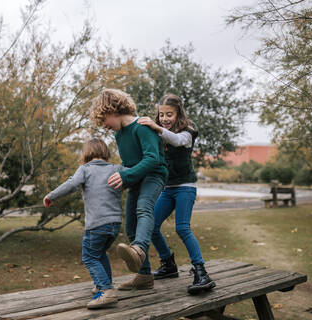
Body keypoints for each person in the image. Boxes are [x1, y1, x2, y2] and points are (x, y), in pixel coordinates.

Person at [137, 93, 215, 294]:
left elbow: (178, 141)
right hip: (168, 188)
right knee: (151, 225)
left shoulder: (188, 132)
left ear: (178, 112)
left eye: (169, 114)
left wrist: (156, 127)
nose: (164, 118)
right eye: (161, 115)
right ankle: (168, 264)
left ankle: (201, 273)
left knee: (182, 228)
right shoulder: (159, 132)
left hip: (185, 188)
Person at [90, 88, 168, 291]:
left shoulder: (142, 126)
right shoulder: (120, 135)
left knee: (144, 207)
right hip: (137, 179)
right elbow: (128, 163)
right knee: (131, 226)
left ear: (112, 110)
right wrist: (122, 180)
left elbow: (152, 159)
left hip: (154, 175)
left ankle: (140, 249)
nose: (105, 126)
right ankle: (144, 276)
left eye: (104, 119)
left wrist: (127, 175)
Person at [43, 138, 124, 309]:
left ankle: (107, 291)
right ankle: (103, 283)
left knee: (89, 256)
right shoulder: (116, 168)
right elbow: (134, 174)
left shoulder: (85, 169)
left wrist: (51, 196)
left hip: (97, 225)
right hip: (115, 224)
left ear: (86, 153)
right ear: (105, 152)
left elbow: (71, 184)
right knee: (100, 253)